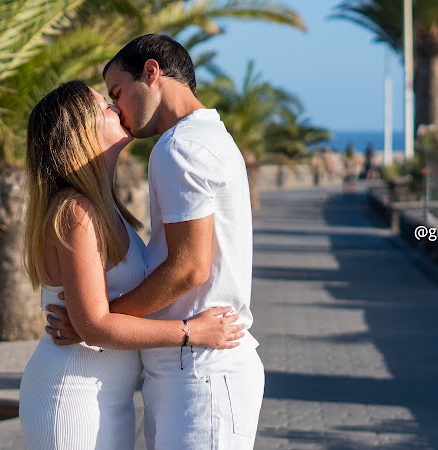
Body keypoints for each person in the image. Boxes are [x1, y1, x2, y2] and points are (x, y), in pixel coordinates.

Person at [46, 34, 265, 449]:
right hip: (193, 368)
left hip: (200, 370)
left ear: (151, 72)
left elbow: (188, 268)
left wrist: (95, 323)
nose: (118, 109)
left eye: (117, 93)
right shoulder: (206, 138)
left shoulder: (179, 147)